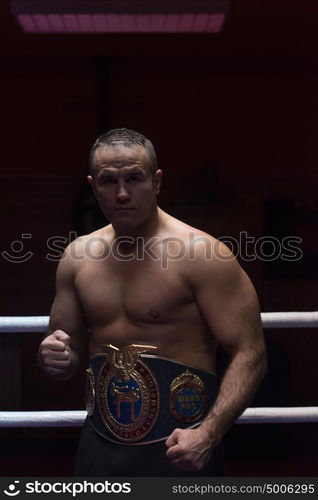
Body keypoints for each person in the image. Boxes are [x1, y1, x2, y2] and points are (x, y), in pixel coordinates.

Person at [38, 128, 266, 477]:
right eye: (108, 181)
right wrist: (55, 357)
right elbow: (67, 355)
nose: (122, 193)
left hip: (181, 448)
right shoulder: (77, 257)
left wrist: (208, 434)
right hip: (99, 445)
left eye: (134, 178)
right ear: (92, 185)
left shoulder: (202, 254)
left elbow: (250, 353)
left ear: (157, 182)